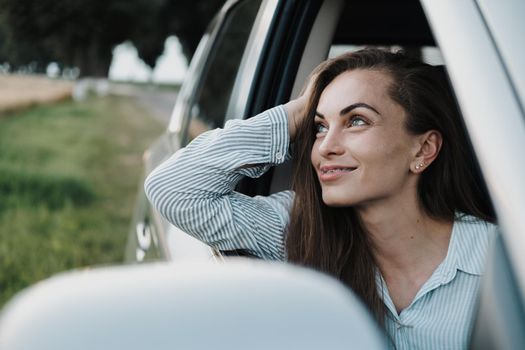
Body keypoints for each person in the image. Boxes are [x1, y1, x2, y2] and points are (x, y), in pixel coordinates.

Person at [145, 48, 497, 349]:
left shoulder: (501, 258)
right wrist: (298, 110)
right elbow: (174, 187)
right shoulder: (299, 230)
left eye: (357, 121)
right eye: (319, 127)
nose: (325, 147)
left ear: (424, 148)